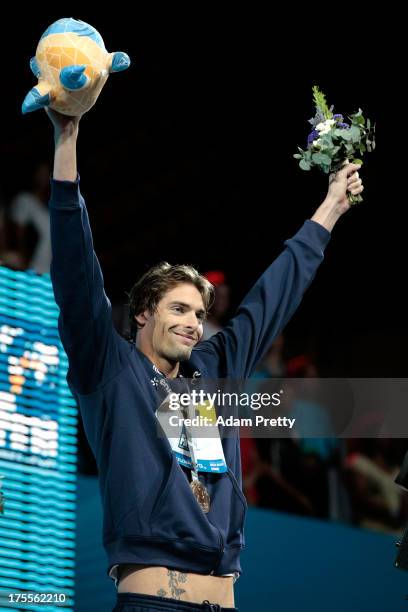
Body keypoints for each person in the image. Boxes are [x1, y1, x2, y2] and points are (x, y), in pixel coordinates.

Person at [45, 107, 363, 612]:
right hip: (154, 604)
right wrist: (67, 140)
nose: (194, 322)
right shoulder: (111, 369)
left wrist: (329, 210)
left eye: (199, 312)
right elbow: (77, 279)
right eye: (179, 309)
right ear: (144, 313)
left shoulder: (215, 371)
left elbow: (273, 297)